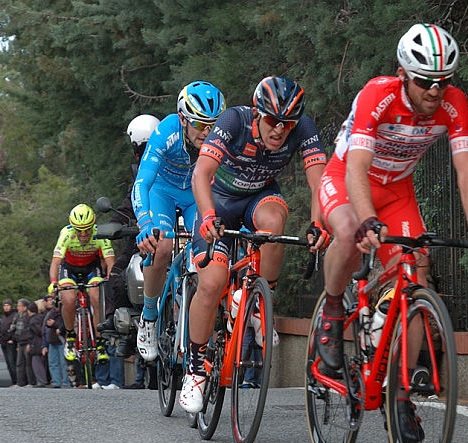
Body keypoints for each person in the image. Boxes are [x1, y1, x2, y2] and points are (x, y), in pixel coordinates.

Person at [316, 23, 468, 443]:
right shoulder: (377, 94)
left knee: (415, 271)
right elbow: (358, 167)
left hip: (398, 190)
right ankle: (331, 312)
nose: (436, 91)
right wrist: (366, 220)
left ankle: (399, 395)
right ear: (403, 73)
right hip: (349, 178)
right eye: (425, 82)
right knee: (347, 233)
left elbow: (466, 167)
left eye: (444, 81)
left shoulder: (454, 104)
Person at [179, 75, 329, 412]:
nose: (279, 130)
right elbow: (201, 174)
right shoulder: (235, 120)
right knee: (212, 283)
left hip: (258, 198)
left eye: (287, 124)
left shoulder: (303, 128)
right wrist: (205, 216)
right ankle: (195, 369)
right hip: (217, 201)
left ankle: (261, 304)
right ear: (258, 114)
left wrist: (319, 222)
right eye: (273, 121)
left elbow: (319, 179)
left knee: (275, 224)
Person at [131, 81, 226, 363]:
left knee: (210, 248)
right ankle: (149, 317)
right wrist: (146, 222)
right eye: (199, 124)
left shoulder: (220, 137)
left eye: (213, 124)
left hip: (196, 194)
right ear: (183, 119)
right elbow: (142, 183)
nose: (207, 132)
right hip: (163, 191)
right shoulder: (166, 132)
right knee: (162, 245)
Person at [98, 114, 160, 359]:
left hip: (174, 236)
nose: (144, 154)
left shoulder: (179, 164)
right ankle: (122, 328)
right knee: (119, 273)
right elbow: (129, 202)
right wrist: (116, 225)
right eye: (142, 150)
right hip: (143, 237)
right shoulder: (139, 176)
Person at [48, 204, 115, 363]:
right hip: (69, 269)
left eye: (87, 229)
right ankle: (70, 337)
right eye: (79, 230)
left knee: (97, 298)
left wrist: (111, 279)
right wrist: (53, 282)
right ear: (73, 228)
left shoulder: (101, 234)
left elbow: (110, 261)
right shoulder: (66, 234)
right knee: (69, 300)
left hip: (91, 268)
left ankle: (100, 344)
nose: (84, 234)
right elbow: (56, 262)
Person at [43, 295, 71, 388]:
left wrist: (54, 324)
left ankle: (66, 382)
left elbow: (66, 324)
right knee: (53, 363)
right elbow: (45, 326)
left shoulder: (64, 312)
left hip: (61, 340)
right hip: (52, 341)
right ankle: (56, 381)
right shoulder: (51, 313)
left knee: (64, 363)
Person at [11, 298, 34, 387]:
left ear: (25, 307)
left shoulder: (28, 317)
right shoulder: (17, 316)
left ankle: (31, 382)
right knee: (19, 363)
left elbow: (29, 330)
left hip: (27, 341)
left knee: (28, 363)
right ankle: (20, 382)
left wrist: (29, 343)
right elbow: (15, 329)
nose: (18, 308)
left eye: (20, 306)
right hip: (20, 342)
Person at [0, 299, 19, 387]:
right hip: (4, 342)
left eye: (8, 305)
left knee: (13, 362)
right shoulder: (3, 317)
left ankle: (17, 380)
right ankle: (13, 380)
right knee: (8, 363)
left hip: (11, 342)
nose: (6, 307)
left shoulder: (15, 315)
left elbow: (16, 328)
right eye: (4, 306)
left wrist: (13, 339)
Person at [27, 302, 47, 388]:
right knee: (43, 363)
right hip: (42, 342)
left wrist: (31, 344)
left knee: (36, 363)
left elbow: (39, 331)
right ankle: (42, 380)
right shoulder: (41, 317)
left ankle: (41, 380)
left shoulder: (33, 321)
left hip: (36, 343)